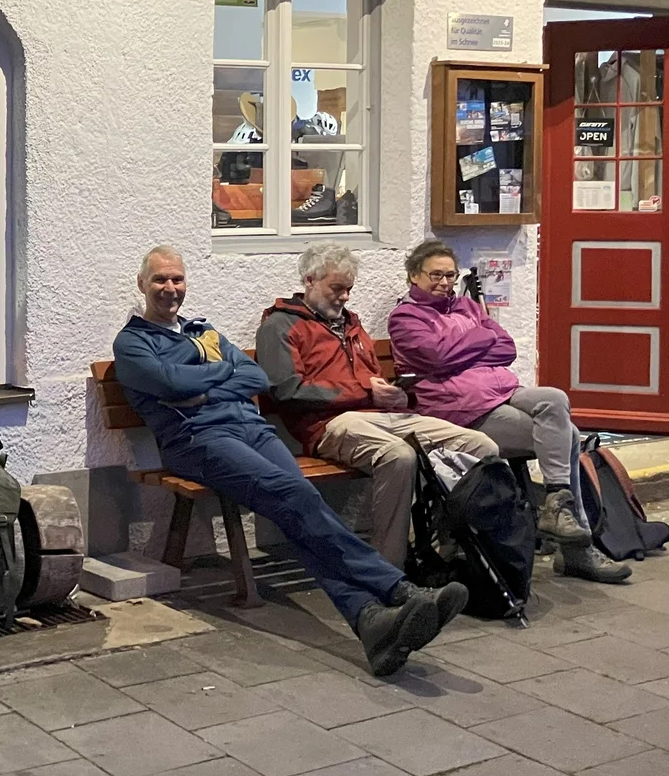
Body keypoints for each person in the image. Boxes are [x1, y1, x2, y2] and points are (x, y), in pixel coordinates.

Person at [113, 246, 466, 677]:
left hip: (252, 431)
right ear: (141, 284)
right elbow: (169, 382)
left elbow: (255, 377)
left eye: (177, 280)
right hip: (197, 440)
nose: (170, 289)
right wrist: (219, 377)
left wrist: (203, 388)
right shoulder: (133, 342)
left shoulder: (202, 330)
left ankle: (371, 624)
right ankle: (395, 587)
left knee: (296, 506)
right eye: (160, 281)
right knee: (296, 494)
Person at [386, 240, 631, 585]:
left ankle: (557, 503)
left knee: (554, 398)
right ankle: (575, 550)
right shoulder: (405, 317)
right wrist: (479, 339)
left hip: (501, 390)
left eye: (450, 276)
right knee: (570, 437)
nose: (444, 283)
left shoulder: (468, 306)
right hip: (459, 408)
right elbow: (436, 356)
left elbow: (506, 347)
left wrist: (468, 345)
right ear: (414, 275)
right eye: (435, 275)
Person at [257, 243, 500, 568]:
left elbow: (374, 380)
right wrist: (365, 392)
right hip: (327, 426)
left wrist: (400, 396)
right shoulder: (280, 325)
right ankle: (389, 569)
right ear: (309, 280)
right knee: (398, 456)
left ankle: (453, 545)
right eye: (337, 288)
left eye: (349, 290)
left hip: (382, 416)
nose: (344, 297)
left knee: (479, 445)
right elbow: (287, 391)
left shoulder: (351, 325)